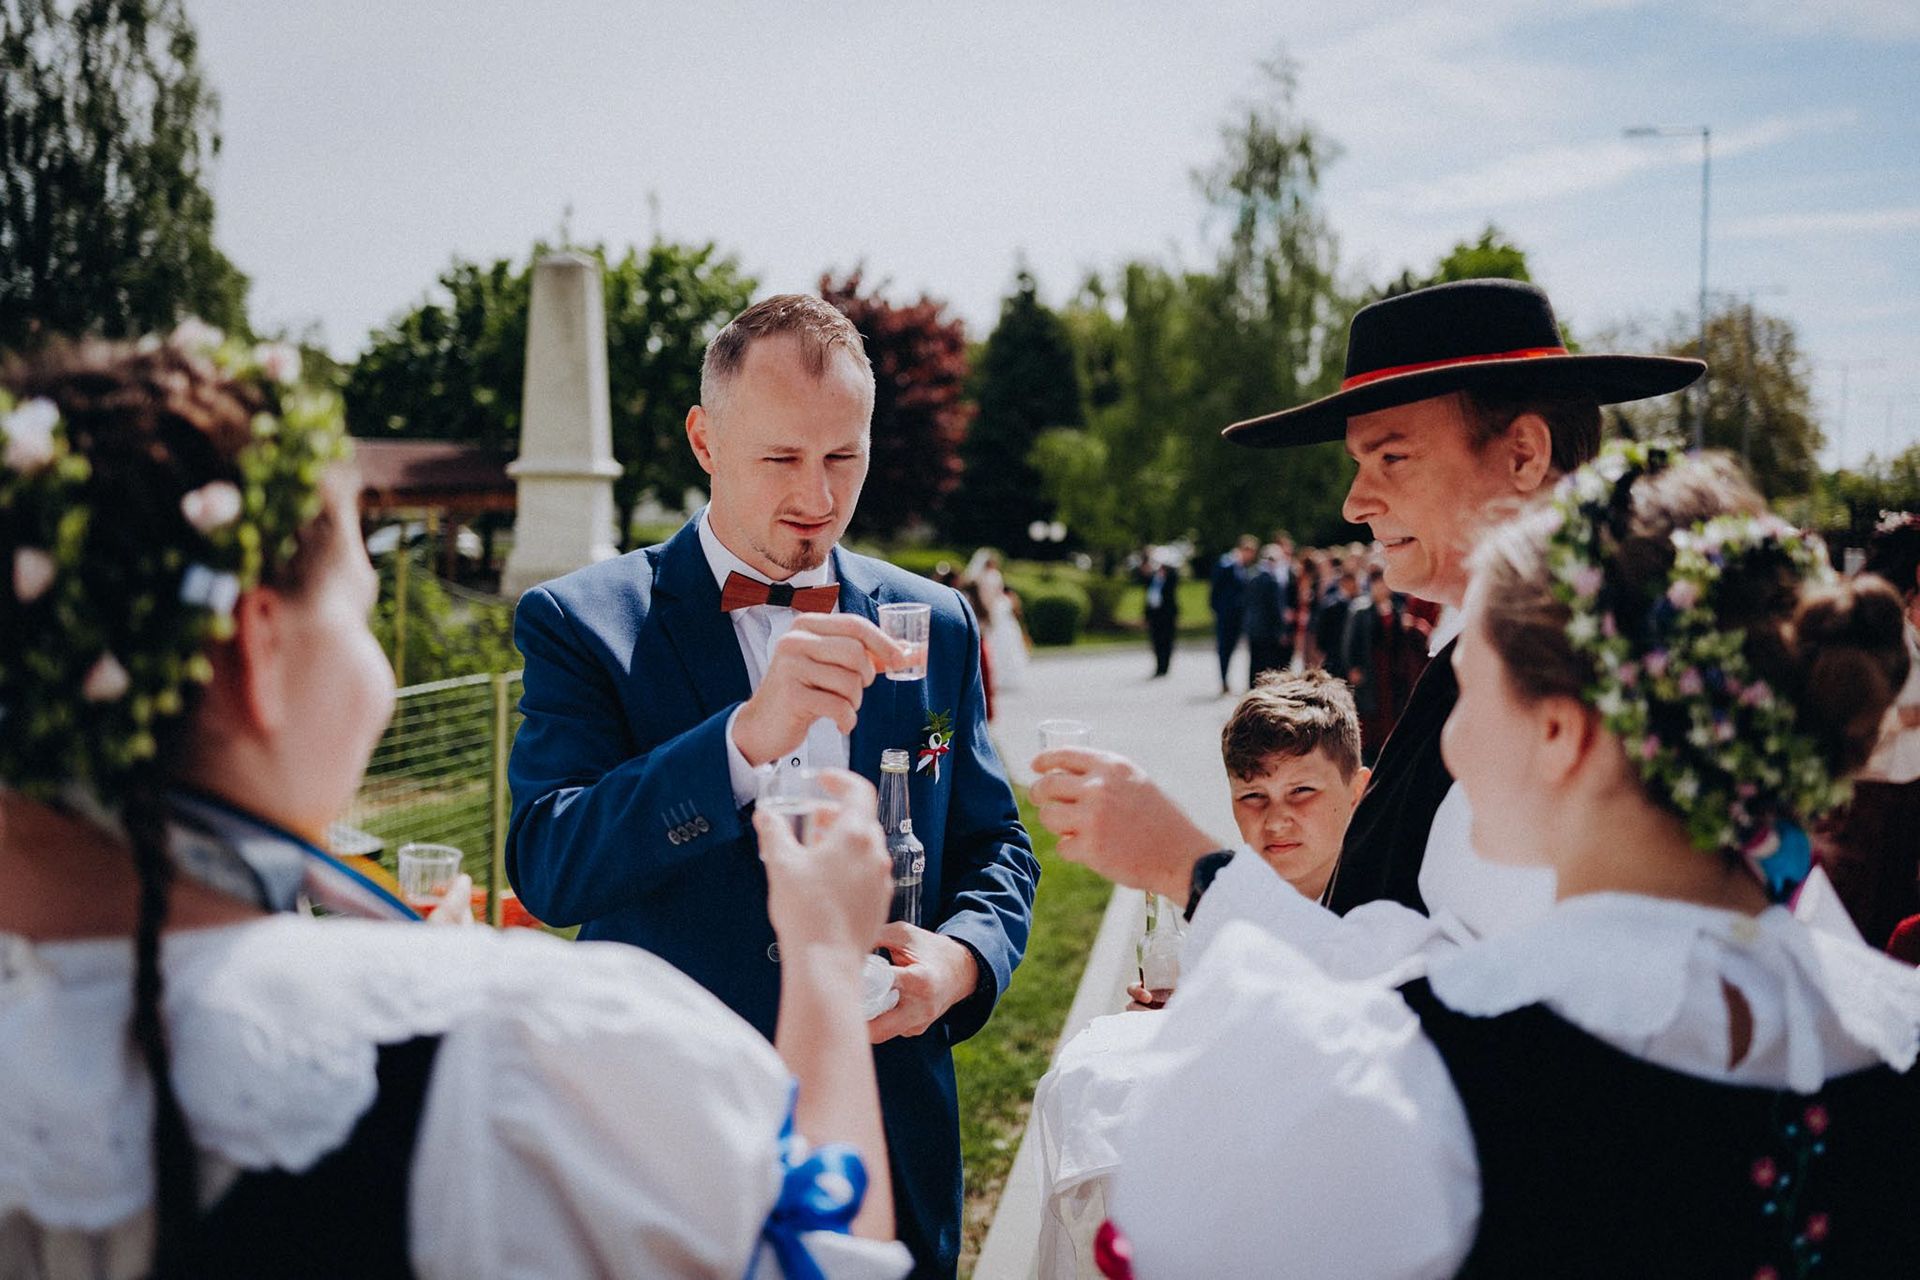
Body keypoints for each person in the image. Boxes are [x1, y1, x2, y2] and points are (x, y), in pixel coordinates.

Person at [0, 333, 913, 1278]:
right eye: (359, 609)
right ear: (257, 649)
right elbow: (828, 1255)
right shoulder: (521, 1050)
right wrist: (823, 956)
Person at [1097, 444, 1920, 1277]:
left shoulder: (1431, 1069)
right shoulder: (1894, 1025)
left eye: (1468, 689)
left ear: (1556, 731)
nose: (1446, 738)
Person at [506, 295, 1039, 1279]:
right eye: (782, 457)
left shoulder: (935, 620)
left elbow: (994, 843)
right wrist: (742, 740)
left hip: (888, 1132)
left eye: (844, 456)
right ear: (705, 440)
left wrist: (961, 961)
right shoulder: (583, 623)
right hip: (668, 1137)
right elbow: (549, 864)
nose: (818, 495)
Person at [1031, 278, 1702, 932]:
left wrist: (1188, 868)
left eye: (1392, 457)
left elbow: (1459, 992)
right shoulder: (1496, 653)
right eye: (1360, 463)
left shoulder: (1575, 687)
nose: (1354, 504)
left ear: (1524, 454)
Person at [1032, 668, 1369, 1275]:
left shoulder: (1380, 903)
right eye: (1253, 797)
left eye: (1302, 792)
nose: (1277, 820)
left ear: (1358, 789)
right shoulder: (1225, 902)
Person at [1825, 512, 1920, 949]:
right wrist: (1908, 717)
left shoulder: (1910, 632)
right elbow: (1845, 716)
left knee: (1893, 922)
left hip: (1907, 798)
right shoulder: (1872, 631)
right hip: (1866, 800)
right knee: (1855, 923)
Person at [1342, 575, 1434, 762]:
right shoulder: (1361, 610)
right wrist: (1353, 666)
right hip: (1371, 667)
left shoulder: (1396, 609)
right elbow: (1350, 641)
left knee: (1389, 710)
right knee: (1370, 711)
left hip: (1389, 669)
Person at [965, 547, 1029, 693]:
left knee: (995, 642)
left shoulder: (980, 577)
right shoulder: (994, 576)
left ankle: (995, 676)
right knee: (1002, 642)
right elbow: (994, 594)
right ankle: (1003, 676)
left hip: (993, 610)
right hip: (997, 609)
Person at [1208, 535, 1257, 694]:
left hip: (1238, 614)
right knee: (1225, 648)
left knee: (1232, 647)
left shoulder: (1242, 567)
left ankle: (1227, 680)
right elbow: (1216, 589)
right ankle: (1223, 680)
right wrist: (1218, 610)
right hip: (1226, 614)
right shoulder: (1227, 564)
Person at [1242, 543, 1293, 687]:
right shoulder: (1273, 580)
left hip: (1253, 627)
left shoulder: (1251, 576)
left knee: (1254, 662)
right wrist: (1282, 630)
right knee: (1267, 663)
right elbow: (1277, 608)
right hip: (1268, 629)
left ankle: (1252, 688)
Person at [1141, 549, 1179, 678]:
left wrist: (1165, 570)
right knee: (1156, 641)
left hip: (1167, 614)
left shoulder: (1170, 575)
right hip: (1154, 613)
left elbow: (1174, 578)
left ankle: (1165, 666)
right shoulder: (1153, 577)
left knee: (1167, 640)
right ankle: (1158, 666)